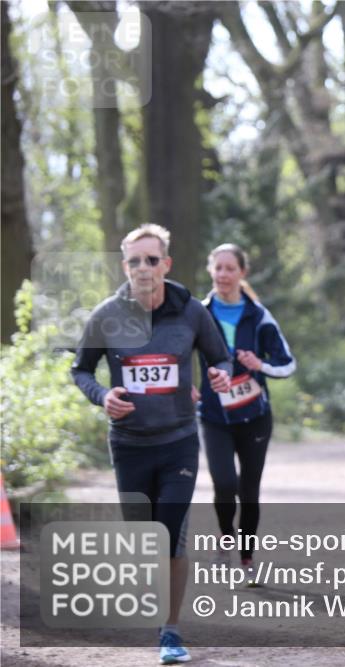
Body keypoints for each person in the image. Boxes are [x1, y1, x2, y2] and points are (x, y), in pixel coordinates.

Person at [71, 224, 232, 664]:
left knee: (170, 538)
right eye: (135, 261)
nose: (144, 268)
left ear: (166, 264)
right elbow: (81, 369)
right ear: (125, 266)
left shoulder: (192, 312)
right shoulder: (106, 314)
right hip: (129, 444)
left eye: (152, 259)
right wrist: (103, 396)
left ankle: (170, 631)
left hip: (179, 440)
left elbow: (219, 356)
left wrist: (217, 373)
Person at [195, 243, 296, 581]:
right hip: (213, 415)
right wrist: (187, 386)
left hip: (254, 415)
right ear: (211, 271)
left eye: (230, 268)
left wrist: (261, 364)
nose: (223, 274)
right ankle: (225, 536)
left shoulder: (259, 315)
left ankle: (247, 559)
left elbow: (287, 363)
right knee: (224, 483)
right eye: (218, 268)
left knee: (249, 488)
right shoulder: (200, 313)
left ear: (242, 273)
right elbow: (178, 354)